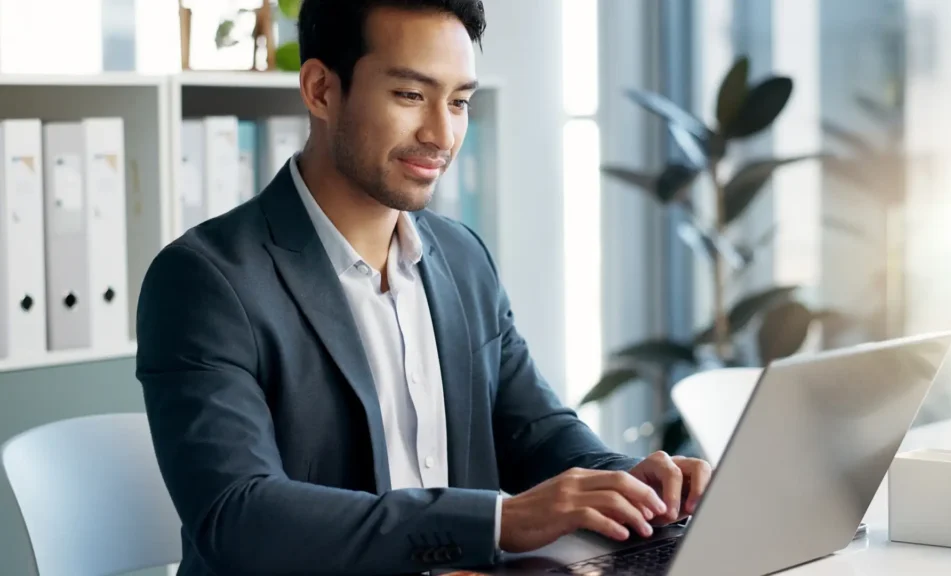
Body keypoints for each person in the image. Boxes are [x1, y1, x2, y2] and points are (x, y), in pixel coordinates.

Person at [135, 1, 712, 574]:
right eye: (410, 95)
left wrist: (629, 481)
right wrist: (496, 522)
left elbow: (535, 433)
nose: (442, 134)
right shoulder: (205, 280)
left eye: (459, 101)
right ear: (320, 90)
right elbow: (240, 518)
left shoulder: (462, 256)